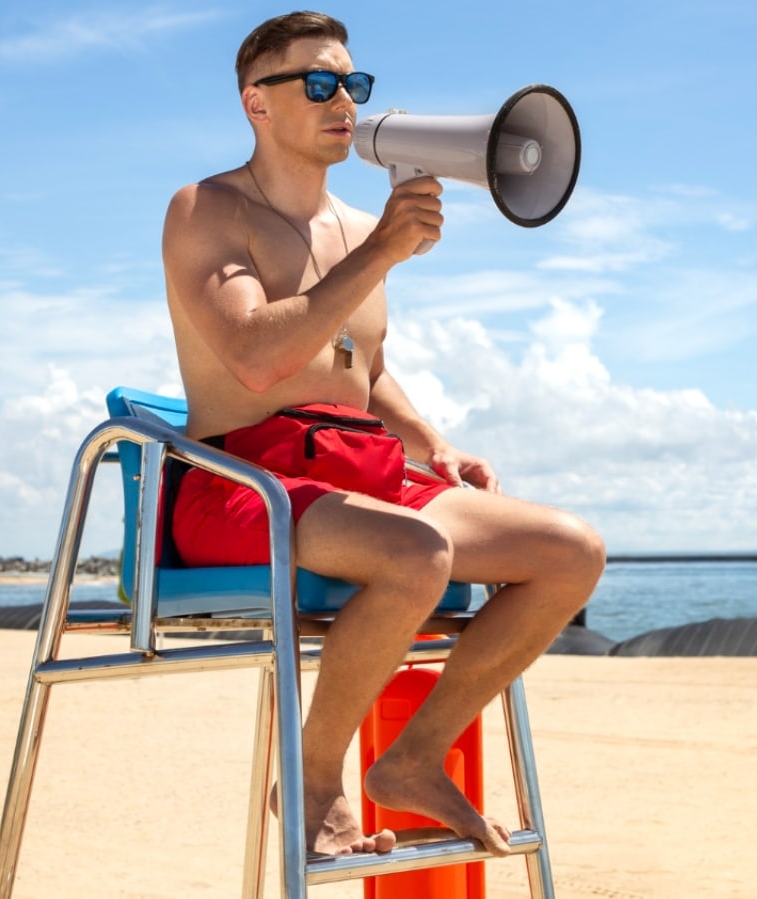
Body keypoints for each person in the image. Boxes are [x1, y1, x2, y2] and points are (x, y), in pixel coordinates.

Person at [159, 11, 605, 858]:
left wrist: (431, 441)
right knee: (415, 552)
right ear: (257, 102)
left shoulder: (361, 229)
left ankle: (413, 758)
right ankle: (316, 779)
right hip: (242, 480)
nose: (343, 100)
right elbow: (256, 356)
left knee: (570, 551)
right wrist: (385, 254)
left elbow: (361, 368)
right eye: (318, 83)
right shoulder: (205, 208)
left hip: (360, 473)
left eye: (353, 84)